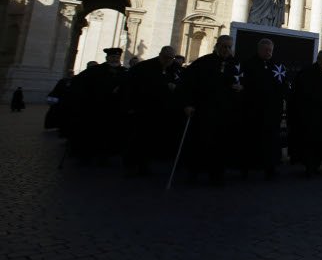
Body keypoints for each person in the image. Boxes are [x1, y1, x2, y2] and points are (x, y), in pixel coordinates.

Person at [181, 35, 243, 184]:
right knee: (200, 143)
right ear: (216, 46)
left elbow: (244, 82)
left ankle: (217, 174)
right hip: (204, 110)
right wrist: (188, 104)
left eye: (229, 47)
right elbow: (188, 85)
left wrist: (241, 87)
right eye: (223, 46)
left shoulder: (236, 64)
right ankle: (193, 172)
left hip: (226, 112)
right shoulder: (203, 62)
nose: (226, 50)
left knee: (221, 145)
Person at [124, 46, 180, 176]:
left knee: (151, 140)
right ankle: (131, 165)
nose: (168, 61)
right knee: (137, 139)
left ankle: (145, 165)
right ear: (160, 55)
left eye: (171, 58)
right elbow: (132, 88)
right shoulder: (143, 68)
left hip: (162, 111)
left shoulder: (175, 69)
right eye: (166, 58)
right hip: (143, 109)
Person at [67, 47, 129, 163]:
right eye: (113, 57)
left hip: (115, 109)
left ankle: (106, 155)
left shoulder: (125, 72)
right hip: (96, 107)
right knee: (93, 132)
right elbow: (78, 82)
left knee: (110, 133)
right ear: (107, 58)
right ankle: (88, 154)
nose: (115, 59)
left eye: (117, 57)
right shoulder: (96, 70)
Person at [241, 38, 290, 178]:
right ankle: (247, 167)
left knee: (271, 141)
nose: (268, 52)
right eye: (265, 50)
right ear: (259, 50)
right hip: (253, 110)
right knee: (250, 139)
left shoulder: (278, 66)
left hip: (272, 111)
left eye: (270, 50)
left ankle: (270, 167)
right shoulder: (248, 64)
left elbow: (284, 85)